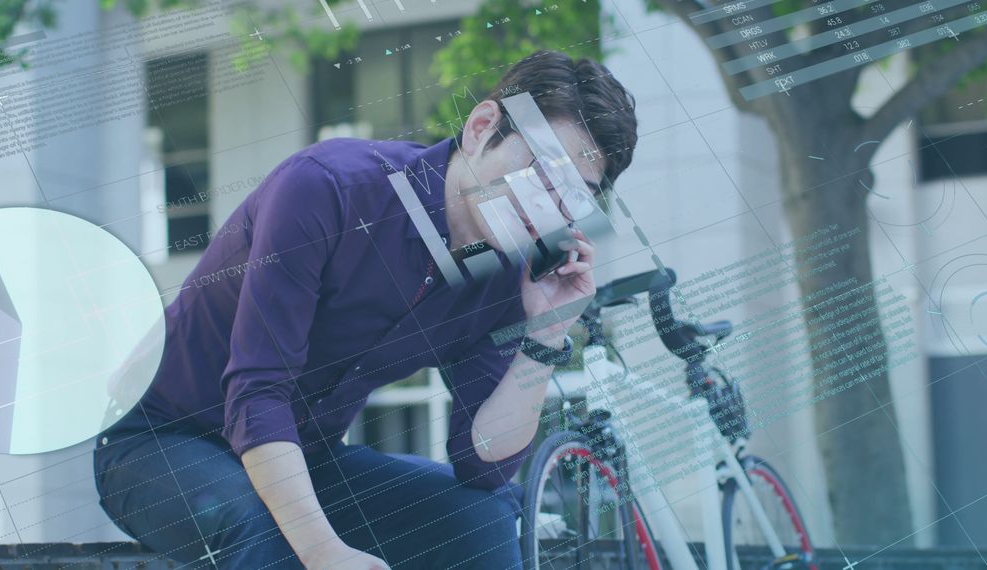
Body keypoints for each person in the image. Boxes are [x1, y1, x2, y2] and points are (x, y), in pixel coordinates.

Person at [92, 49, 637, 569]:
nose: (546, 202)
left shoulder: (503, 274)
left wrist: (544, 333)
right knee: (269, 530)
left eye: (572, 192)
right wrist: (325, 552)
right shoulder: (330, 187)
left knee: (484, 516)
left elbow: (484, 464)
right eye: (538, 168)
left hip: (307, 457)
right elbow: (257, 395)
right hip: (161, 441)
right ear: (481, 128)